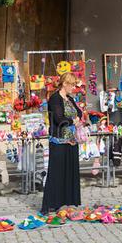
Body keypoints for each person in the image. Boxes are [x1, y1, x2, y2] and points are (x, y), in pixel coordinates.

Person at [41, 73, 83, 214]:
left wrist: (77, 118)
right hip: (59, 140)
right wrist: (73, 121)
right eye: (72, 85)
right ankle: (53, 203)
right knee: (57, 173)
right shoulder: (55, 98)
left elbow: (79, 112)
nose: (73, 88)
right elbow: (59, 118)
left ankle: (68, 200)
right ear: (65, 84)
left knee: (69, 171)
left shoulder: (70, 98)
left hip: (71, 140)